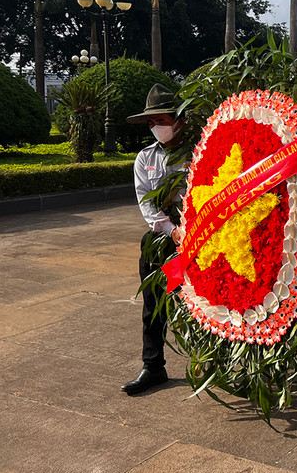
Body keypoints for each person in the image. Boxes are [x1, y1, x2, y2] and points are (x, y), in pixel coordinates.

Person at [122, 84, 188, 395]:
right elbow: (146, 203)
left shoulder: (201, 151)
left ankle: (212, 363)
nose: (156, 128)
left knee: (204, 301)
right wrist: (171, 229)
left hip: (200, 243)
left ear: (179, 119)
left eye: (160, 120)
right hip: (161, 241)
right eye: (151, 123)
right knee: (154, 302)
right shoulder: (145, 158)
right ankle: (153, 366)